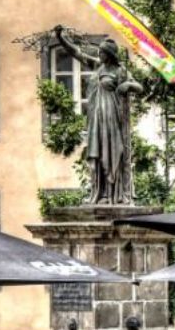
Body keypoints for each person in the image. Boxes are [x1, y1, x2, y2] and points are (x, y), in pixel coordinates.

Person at [53, 26, 143, 205]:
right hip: (96, 119)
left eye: (102, 52)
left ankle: (114, 194)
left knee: (112, 154)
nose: (99, 55)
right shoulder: (96, 66)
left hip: (112, 120)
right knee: (98, 155)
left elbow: (140, 87)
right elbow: (76, 52)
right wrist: (60, 37)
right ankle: (100, 193)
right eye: (99, 52)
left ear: (109, 54)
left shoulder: (120, 71)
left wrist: (128, 85)